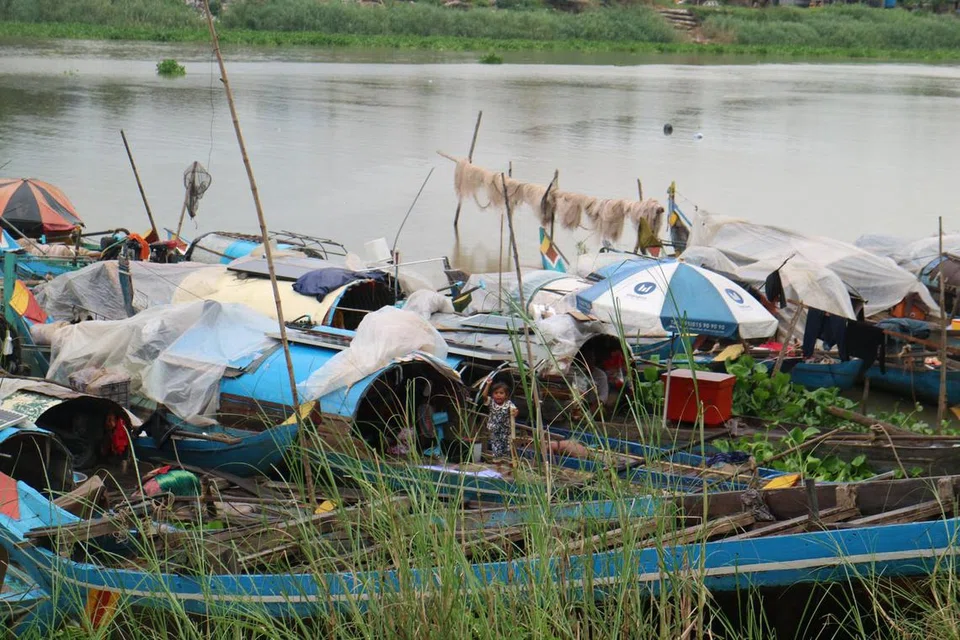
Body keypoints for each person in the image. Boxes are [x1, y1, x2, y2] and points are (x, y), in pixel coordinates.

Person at [481, 380, 518, 459]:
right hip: (495, 431)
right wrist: (488, 384)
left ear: (506, 395)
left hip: (506, 431)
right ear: (493, 394)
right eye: (496, 393)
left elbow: (515, 410)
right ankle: (498, 467)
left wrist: (515, 412)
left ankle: (511, 468)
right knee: (496, 450)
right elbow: (484, 396)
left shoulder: (509, 403)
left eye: (501, 393)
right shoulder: (491, 402)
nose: (498, 395)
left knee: (509, 450)